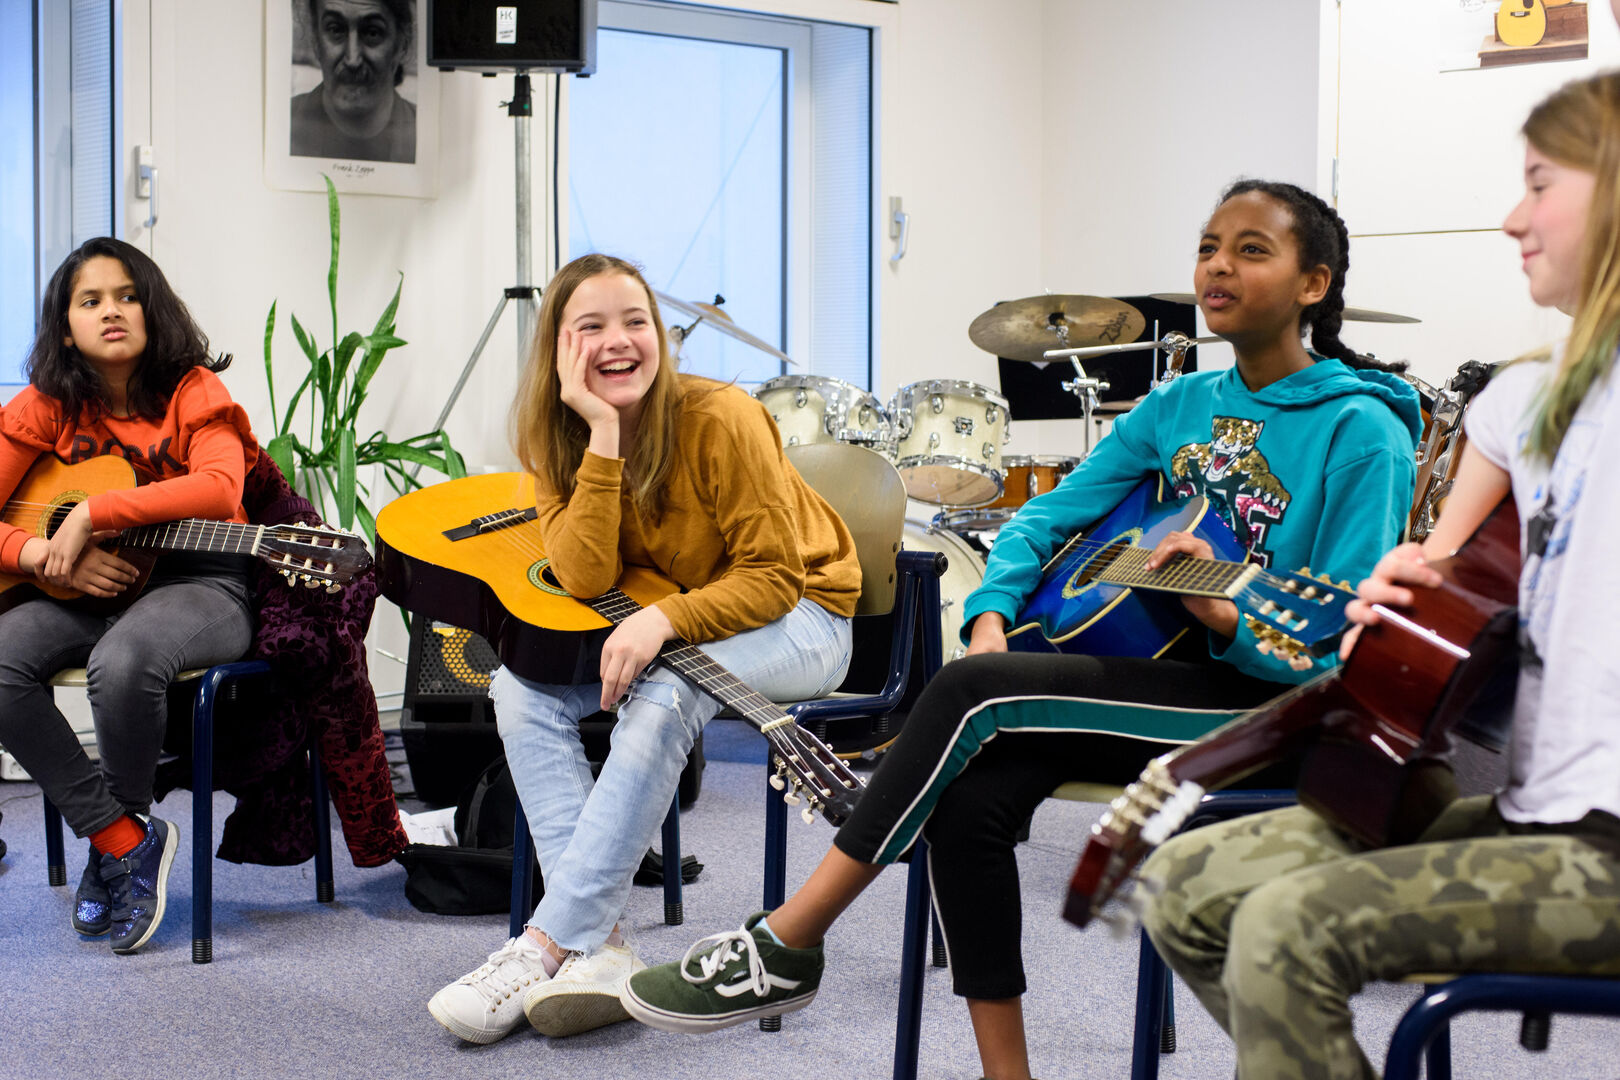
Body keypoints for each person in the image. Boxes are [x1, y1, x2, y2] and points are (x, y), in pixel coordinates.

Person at [623, 181, 1424, 1080]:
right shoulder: (1178, 406)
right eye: (1207, 247)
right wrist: (993, 612)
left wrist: (1228, 612)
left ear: (1313, 283)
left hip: (1272, 705)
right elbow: (1043, 521)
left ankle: (788, 940)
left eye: (1251, 249)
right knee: (967, 799)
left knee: (967, 693)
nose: (1217, 267)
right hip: (1151, 684)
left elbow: (1343, 635)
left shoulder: (1362, 430)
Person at [1139, 71, 1620, 1080]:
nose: (1509, 219)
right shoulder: (1525, 402)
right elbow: (1441, 582)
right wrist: (1402, 601)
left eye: (1540, 185)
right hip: (1539, 817)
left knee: (1283, 931)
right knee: (1179, 883)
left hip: (1606, 853)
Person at [425, 253, 860, 1044]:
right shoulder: (557, 437)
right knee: (519, 686)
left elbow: (774, 576)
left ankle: (546, 943)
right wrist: (600, 435)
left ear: (660, 335)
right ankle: (604, 945)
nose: (618, 341)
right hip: (681, 613)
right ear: (559, 349)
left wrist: (664, 624)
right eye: (590, 327)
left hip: (806, 616)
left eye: (635, 322)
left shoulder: (721, 417)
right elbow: (584, 570)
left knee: (668, 692)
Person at [0, 237, 258, 955]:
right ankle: (121, 840)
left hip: (198, 582)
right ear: (65, 325)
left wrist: (91, 515)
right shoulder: (49, 404)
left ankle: (118, 844)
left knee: (124, 659)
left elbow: (218, 488)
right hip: (85, 586)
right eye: (91, 301)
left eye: (127, 295)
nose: (111, 311)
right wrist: (44, 561)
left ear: (154, 306)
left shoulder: (192, 388)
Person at [290, 0, 416, 163]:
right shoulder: (279, 128)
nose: (352, 60)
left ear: (402, 44)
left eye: (372, 33)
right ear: (315, 40)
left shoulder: (428, 136)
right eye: (335, 29)